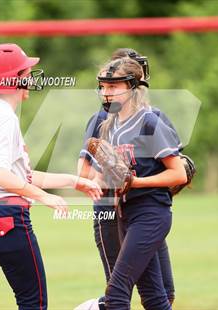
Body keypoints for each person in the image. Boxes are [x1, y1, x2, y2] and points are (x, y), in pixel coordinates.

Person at [0, 43, 102, 310]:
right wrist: (44, 197)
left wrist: (74, 181)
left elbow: (22, 175)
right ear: (9, 79)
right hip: (4, 219)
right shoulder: (4, 117)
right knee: (33, 302)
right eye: (25, 71)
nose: (30, 77)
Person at [77, 57, 187, 310]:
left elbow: (178, 174)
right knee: (154, 298)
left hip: (150, 213)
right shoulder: (110, 124)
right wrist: (103, 178)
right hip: (124, 214)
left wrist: (135, 182)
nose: (106, 92)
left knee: (116, 294)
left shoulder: (149, 121)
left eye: (113, 86)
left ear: (133, 87)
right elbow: (102, 175)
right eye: (103, 86)